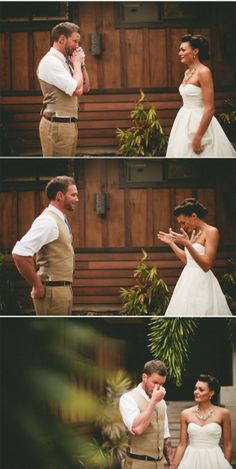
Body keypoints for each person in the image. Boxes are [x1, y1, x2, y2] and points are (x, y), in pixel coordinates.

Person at [12, 176, 78, 315]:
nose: (76, 199)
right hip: (52, 293)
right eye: (73, 195)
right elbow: (20, 254)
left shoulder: (60, 218)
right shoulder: (48, 221)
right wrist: (37, 285)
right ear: (59, 196)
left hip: (62, 291)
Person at [158, 198, 232, 316]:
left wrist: (187, 244)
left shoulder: (211, 231)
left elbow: (206, 265)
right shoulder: (194, 233)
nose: (182, 227)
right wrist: (171, 243)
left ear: (193, 216)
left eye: (183, 222)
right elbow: (188, 260)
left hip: (202, 282)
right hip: (187, 281)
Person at [166, 34, 236, 157]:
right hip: (184, 120)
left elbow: (210, 108)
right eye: (179, 50)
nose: (179, 53)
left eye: (183, 50)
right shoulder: (187, 72)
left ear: (195, 51)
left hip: (199, 121)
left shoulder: (204, 72)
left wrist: (198, 137)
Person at [37, 22, 90, 157]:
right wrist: (77, 63)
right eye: (75, 41)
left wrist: (81, 65)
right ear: (62, 39)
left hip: (67, 125)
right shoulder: (51, 62)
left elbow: (85, 87)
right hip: (57, 126)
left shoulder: (65, 61)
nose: (77, 46)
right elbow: (75, 89)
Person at [119, 359, 175, 469]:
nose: (158, 388)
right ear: (144, 377)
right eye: (155, 382)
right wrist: (153, 402)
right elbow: (137, 429)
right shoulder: (128, 398)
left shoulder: (162, 402)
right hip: (137, 463)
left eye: (162, 384)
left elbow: (165, 436)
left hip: (159, 464)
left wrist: (171, 464)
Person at [174, 374, 233, 468]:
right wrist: (173, 466)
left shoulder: (223, 413)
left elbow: (228, 445)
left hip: (214, 460)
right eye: (195, 388)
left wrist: (226, 465)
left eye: (201, 389)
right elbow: (182, 444)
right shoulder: (186, 414)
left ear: (211, 393)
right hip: (191, 460)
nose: (196, 392)